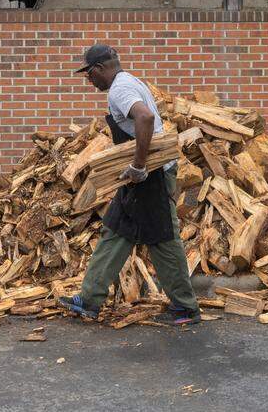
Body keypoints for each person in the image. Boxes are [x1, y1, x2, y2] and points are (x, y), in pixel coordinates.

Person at [59, 44, 201, 326]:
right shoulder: (129, 81)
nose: (89, 80)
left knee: (162, 237)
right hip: (145, 175)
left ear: (99, 69)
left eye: (88, 74)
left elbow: (145, 118)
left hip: (151, 175)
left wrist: (138, 166)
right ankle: (89, 299)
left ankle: (186, 307)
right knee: (117, 229)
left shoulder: (119, 89)